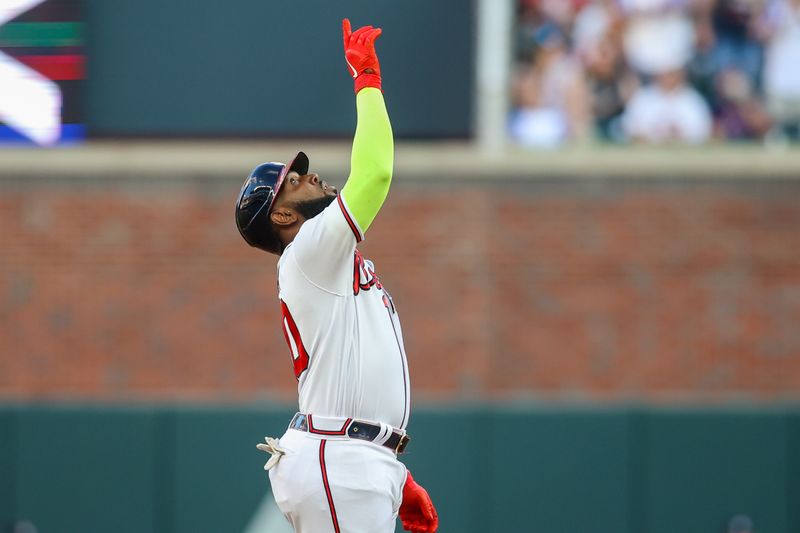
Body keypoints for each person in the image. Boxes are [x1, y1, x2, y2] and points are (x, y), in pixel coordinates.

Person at [234, 19, 439, 533]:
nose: (310, 175)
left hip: (349, 455)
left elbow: (354, 372)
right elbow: (374, 174)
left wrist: (395, 469)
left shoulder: (320, 256)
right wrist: (367, 80)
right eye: (293, 182)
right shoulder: (306, 249)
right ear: (281, 217)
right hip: (339, 458)